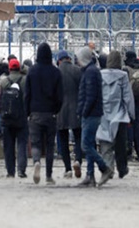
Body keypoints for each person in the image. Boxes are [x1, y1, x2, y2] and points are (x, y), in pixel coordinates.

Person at [24, 43, 63, 185]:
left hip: (35, 112)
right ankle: (49, 175)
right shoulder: (56, 72)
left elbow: (27, 94)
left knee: (35, 143)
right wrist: (56, 110)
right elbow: (60, 96)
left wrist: (27, 111)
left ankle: (36, 162)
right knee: (50, 145)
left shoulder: (32, 71)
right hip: (50, 112)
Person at [77, 46, 113, 187]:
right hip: (94, 112)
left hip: (91, 114)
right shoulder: (92, 70)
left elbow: (90, 95)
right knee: (90, 143)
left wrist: (84, 111)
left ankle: (104, 168)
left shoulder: (90, 72)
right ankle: (90, 175)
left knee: (85, 145)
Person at [97, 51, 134, 179]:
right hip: (120, 114)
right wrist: (131, 114)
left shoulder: (100, 75)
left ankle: (108, 168)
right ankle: (122, 168)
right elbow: (128, 97)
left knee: (105, 142)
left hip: (104, 113)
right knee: (120, 144)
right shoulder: (123, 76)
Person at [0, 59, 29, 178]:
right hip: (21, 117)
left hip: (7, 118)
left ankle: (10, 171)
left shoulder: (4, 81)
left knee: (8, 146)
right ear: (19, 68)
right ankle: (21, 170)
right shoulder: (25, 80)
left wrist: (2, 113)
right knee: (22, 144)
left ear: (9, 68)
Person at [56, 50, 83, 179]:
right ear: (69, 59)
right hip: (76, 108)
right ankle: (78, 160)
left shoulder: (56, 72)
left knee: (63, 139)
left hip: (60, 110)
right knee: (78, 137)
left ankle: (67, 169)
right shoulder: (78, 70)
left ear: (59, 61)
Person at [124, 51, 139, 161]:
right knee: (138, 126)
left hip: (129, 101)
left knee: (129, 125)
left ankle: (128, 152)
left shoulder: (125, 69)